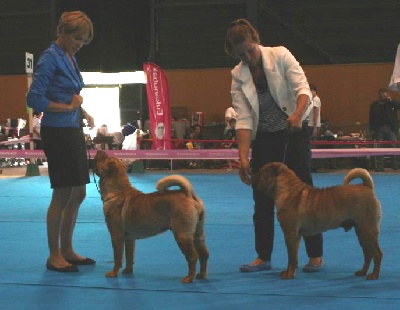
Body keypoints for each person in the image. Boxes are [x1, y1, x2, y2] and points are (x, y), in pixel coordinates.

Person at [225, 18, 324, 273]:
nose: (248, 56)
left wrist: (297, 114)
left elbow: (303, 89)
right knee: (261, 197)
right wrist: (244, 157)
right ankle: (263, 256)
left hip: (294, 131)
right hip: (266, 138)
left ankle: (315, 255)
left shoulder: (280, 55)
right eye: (240, 54)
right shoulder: (238, 75)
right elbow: (244, 118)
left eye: (250, 49)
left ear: (256, 40)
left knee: (305, 193)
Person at [27, 11, 96, 272]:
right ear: (62, 33)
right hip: (58, 132)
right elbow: (34, 99)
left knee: (78, 193)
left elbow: (73, 94)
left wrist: (81, 111)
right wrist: (67, 108)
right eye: (77, 38)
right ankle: (54, 255)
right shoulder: (49, 59)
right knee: (63, 193)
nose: (80, 43)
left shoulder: (70, 57)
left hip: (73, 128)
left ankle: (68, 249)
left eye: (84, 40)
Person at [369, 88, 400, 171]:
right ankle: (380, 166)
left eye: (385, 94)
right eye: (382, 94)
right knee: (379, 148)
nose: (383, 95)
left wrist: (391, 100)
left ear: (387, 94)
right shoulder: (374, 105)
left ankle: (395, 165)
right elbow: (371, 118)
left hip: (391, 128)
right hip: (379, 129)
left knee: (394, 147)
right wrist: (371, 129)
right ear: (379, 95)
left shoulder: (391, 103)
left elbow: (399, 106)